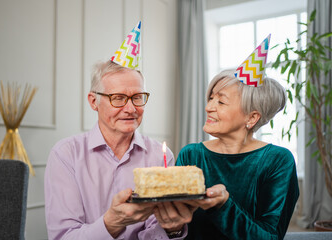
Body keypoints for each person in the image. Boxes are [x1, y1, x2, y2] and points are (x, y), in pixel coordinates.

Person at [44, 22, 194, 239]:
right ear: (93, 101)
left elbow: (160, 230)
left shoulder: (160, 156)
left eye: (137, 97)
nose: (131, 108)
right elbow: (63, 236)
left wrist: (173, 229)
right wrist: (110, 224)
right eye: (118, 98)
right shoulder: (66, 154)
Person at [177, 35, 300, 240]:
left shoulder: (278, 161)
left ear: (252, 117)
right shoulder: (191, 155)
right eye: (211, 98)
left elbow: (270, 237)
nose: (208, 107)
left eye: (221, 102)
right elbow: (177, 227)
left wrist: (223, 206)